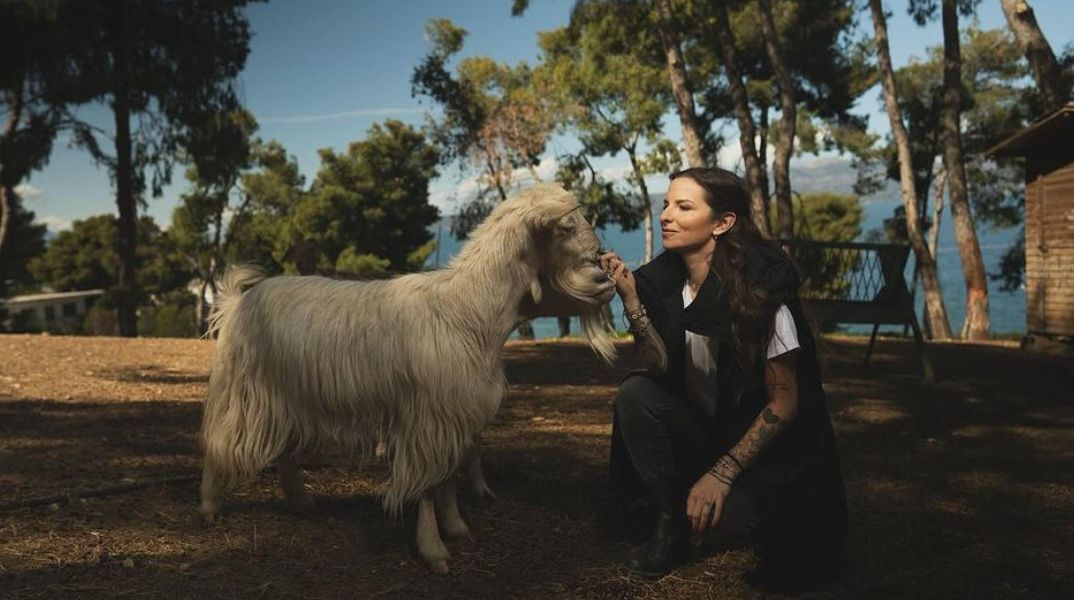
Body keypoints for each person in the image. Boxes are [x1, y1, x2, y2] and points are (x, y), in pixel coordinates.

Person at [599, 167, 846, 592]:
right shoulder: (668, 281)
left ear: (722, 222)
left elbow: (784, 404)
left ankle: (700, 508)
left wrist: (722, 474)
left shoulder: (760, 292)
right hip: (707, 435)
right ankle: (671, 515)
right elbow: (659, 366)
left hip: (771, 460)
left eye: (684, 206)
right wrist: (632, 298)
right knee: (636, 393)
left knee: (724, 527)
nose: (666, 216)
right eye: (666, 205)